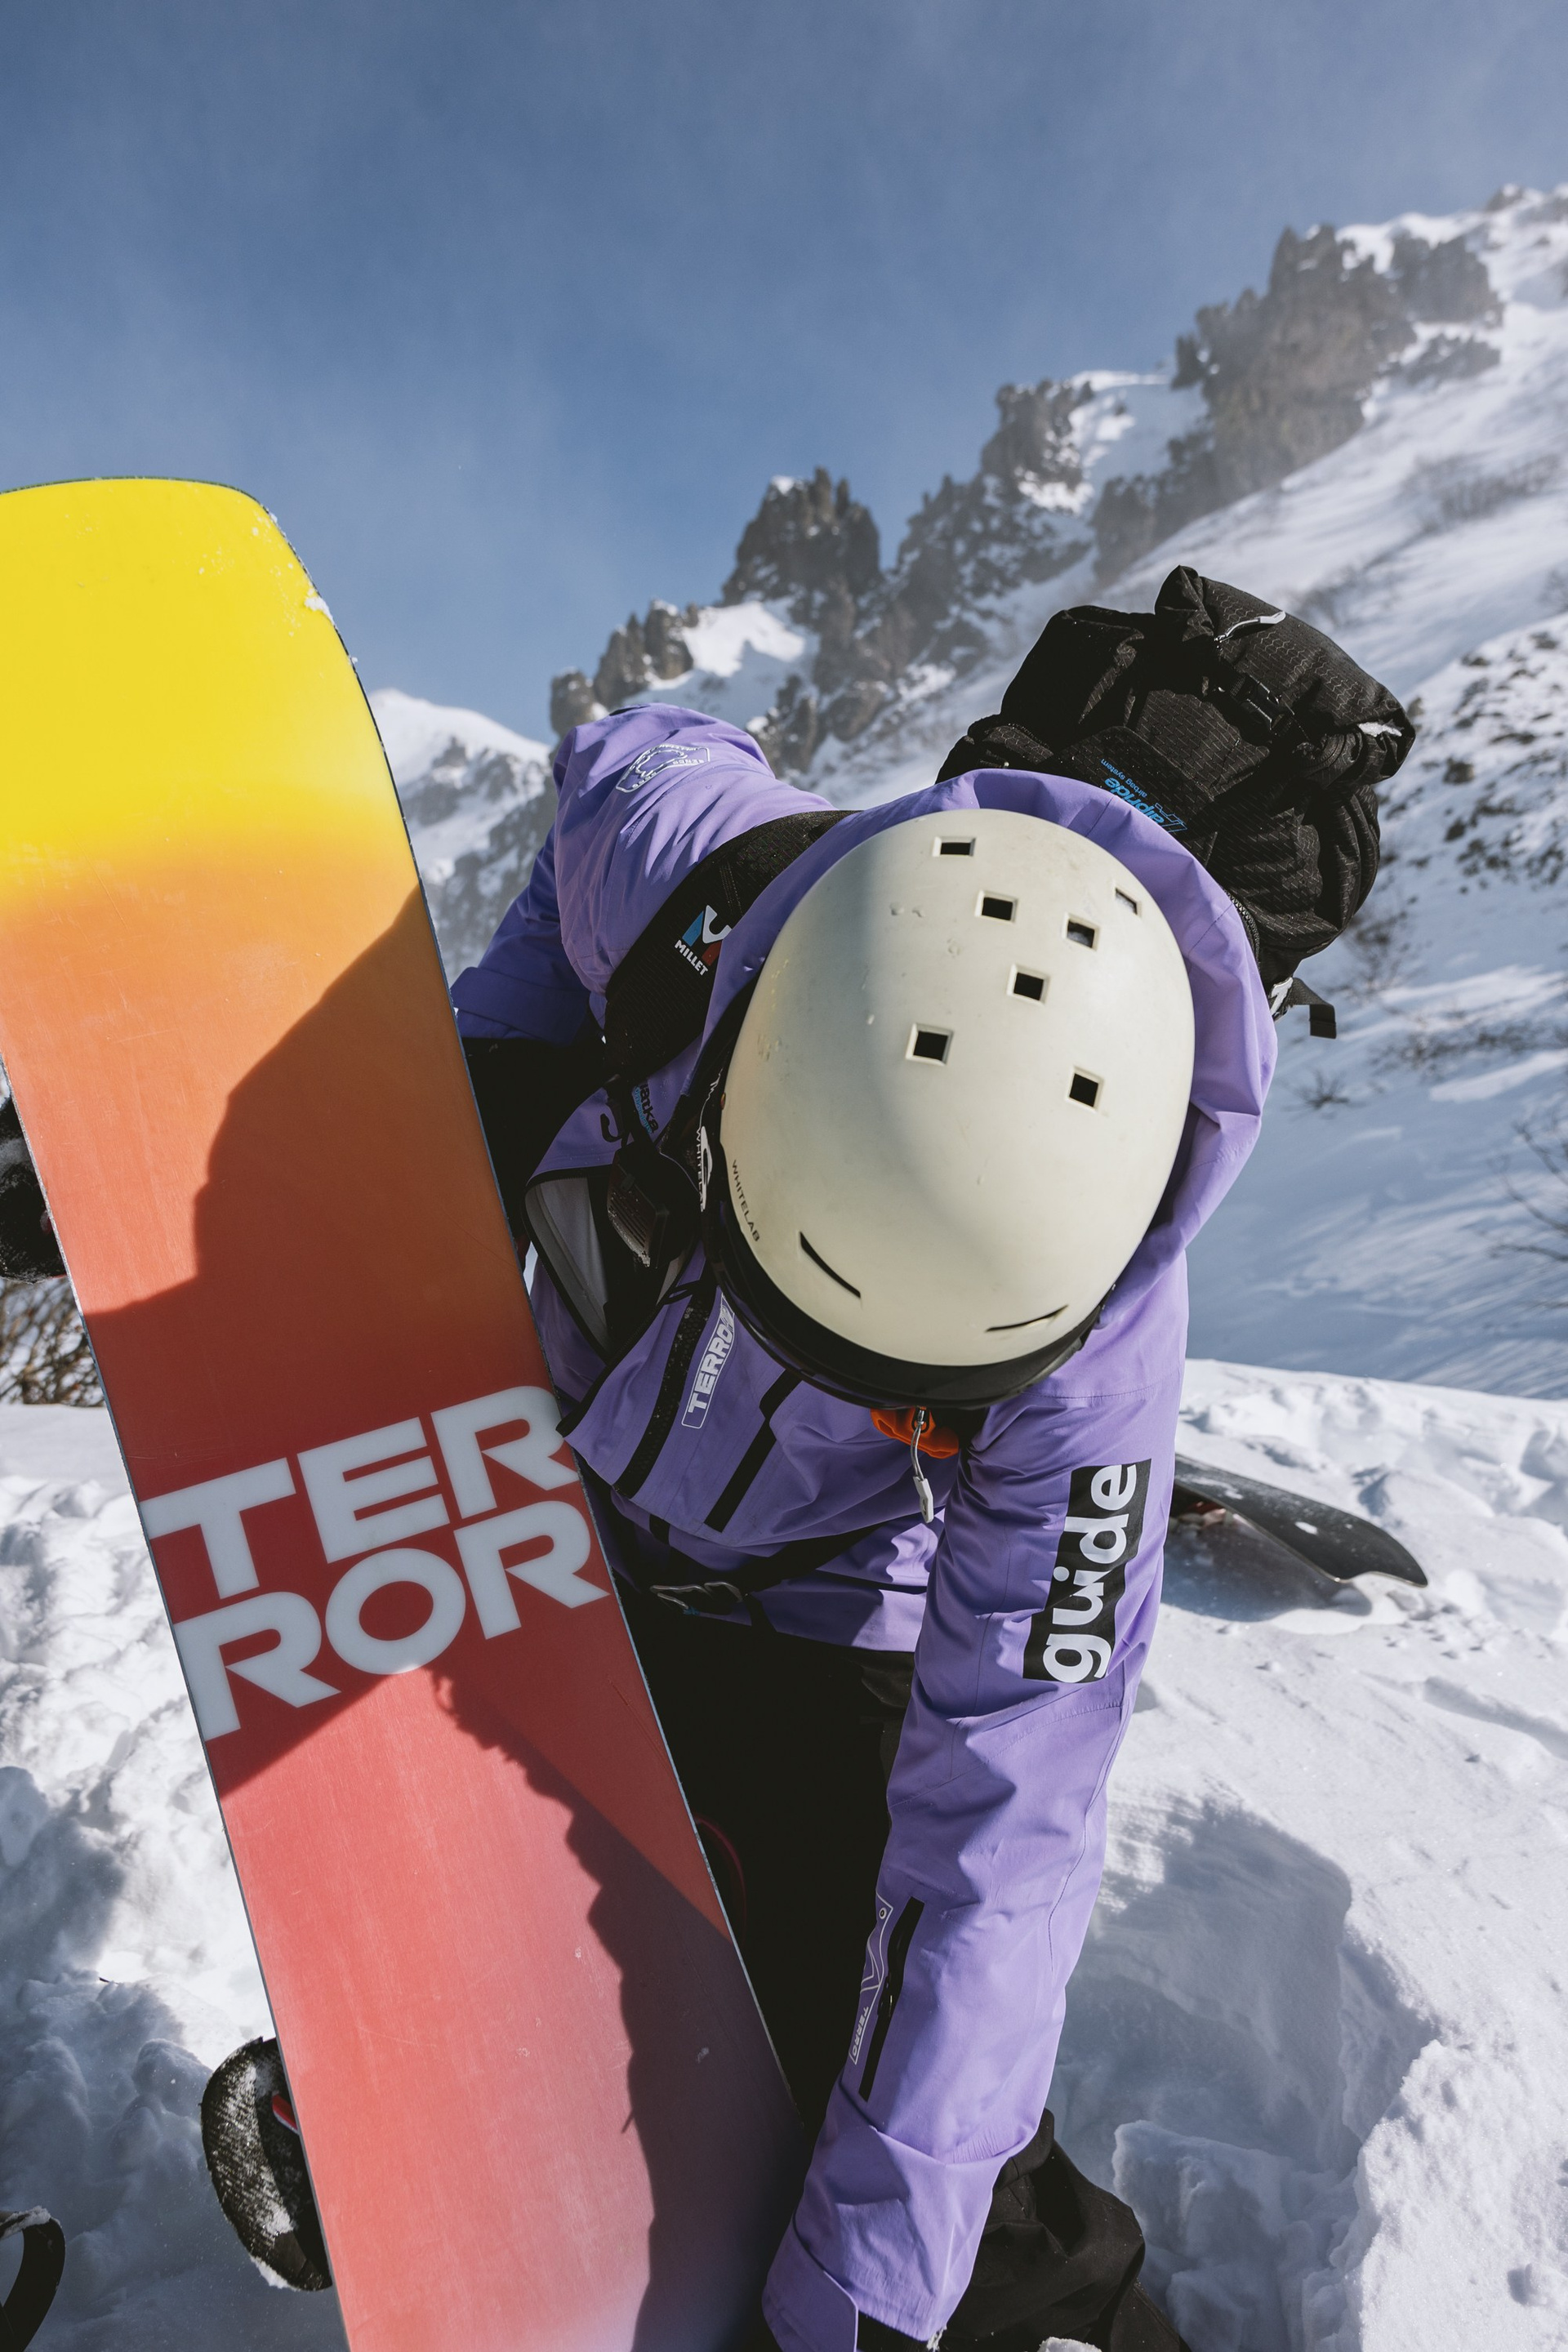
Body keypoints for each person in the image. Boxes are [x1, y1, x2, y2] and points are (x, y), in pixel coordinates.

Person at [455, 568, 1414, 2352]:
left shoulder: (1097, 1359)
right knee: (526, 1896)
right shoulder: (686, 871)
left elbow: (1002, 1844)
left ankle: (1033, 2306)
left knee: (879, 2041)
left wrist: (868, 2308)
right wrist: (488, 1073)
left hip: (835, 1602)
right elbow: (620, 752)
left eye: (919, 1388)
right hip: (578, 1484)